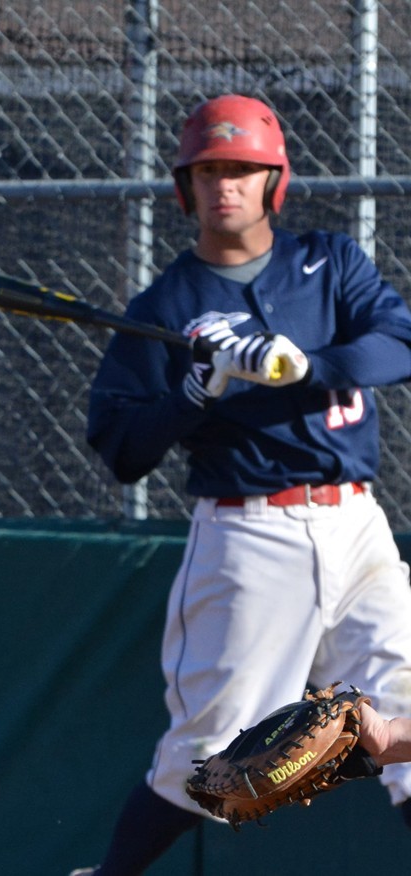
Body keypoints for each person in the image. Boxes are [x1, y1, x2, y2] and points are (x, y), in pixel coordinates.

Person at [77, 94, 411, 875]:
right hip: (246, 534)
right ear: (183, 187)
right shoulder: (167, 305)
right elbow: (123, 447)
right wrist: (196, 391)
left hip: (356, 524)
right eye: (209, 171)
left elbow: (399, 342)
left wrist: (306, 364)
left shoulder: (329, 262)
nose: (225, 185)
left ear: (275, 181)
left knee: (404, 717)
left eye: (242, 170)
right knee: (213, 753)